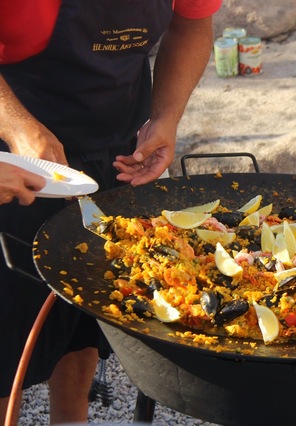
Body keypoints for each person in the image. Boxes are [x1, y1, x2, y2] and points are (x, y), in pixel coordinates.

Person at [0, 0, 222, 424]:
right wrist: (18, 128)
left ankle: (71, 419)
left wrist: (166, 117)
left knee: (90, 303)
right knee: (5, 320)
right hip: (14, 149)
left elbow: (192, 25)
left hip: (115, 143)